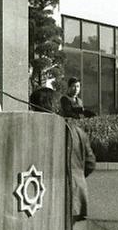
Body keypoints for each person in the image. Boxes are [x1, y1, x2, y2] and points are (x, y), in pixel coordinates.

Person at [29, 87, 96, 220]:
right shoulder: (77, 131)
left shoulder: (38, 131)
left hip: (47, 197)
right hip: (75, 194)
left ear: (35, 107)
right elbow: (90, 163)